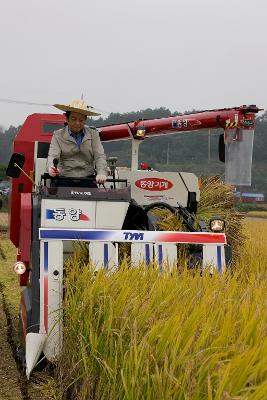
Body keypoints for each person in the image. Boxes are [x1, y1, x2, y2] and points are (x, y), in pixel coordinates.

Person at [46, 99, 108, 187]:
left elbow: (100, 156)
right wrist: (51, 168)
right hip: (64, 178)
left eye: (81, 120)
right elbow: (53, 156)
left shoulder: (93, 134)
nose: (77, 123)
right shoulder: (58, 135)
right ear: (67, 118)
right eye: (74, 119)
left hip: (88, 178)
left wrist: (101, 173)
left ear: (85, 120)